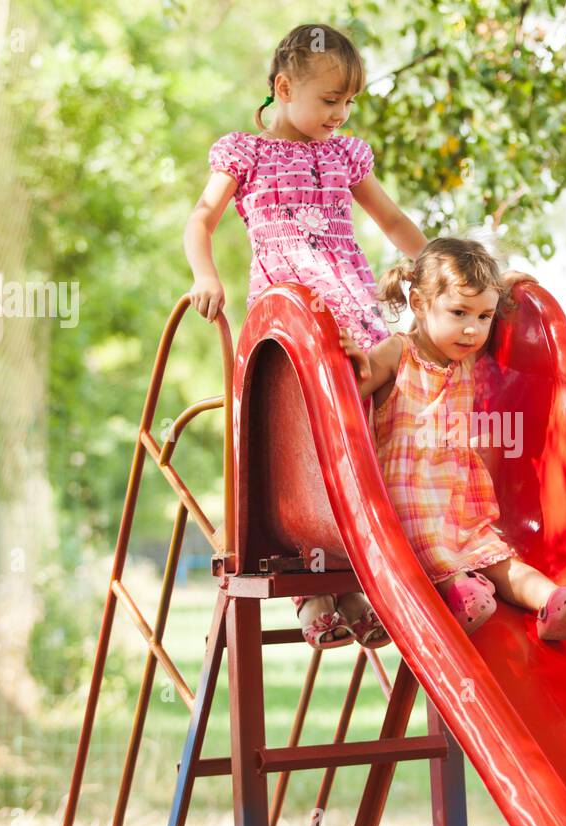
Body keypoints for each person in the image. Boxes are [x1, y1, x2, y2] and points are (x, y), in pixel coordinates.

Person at [182, 23, 425, 650]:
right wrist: (204, 275)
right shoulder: (247, 154)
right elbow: (201, 220)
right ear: (284, 88)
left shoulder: (344, 156)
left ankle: (361, 581)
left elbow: (393, 220)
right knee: (304, 448)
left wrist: (439, 271)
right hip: (290, 323)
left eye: (349, 104)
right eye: (328, 100)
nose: (340, 115)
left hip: (352, 309)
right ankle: (314, 589)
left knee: (375, 421)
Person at [339, 237, 566, 641]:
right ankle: (461, 590)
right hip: (409, 496)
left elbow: (497, 324)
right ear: (418, 304)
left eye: (484, 317)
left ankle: (553, 601)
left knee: (498, 559)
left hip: (458, 497)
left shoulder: (462, 356)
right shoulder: (398, 353)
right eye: (459, 312)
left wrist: (509, 287)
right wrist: (344, 358)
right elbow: (346, 391)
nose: (472, 328)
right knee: (433, 555)